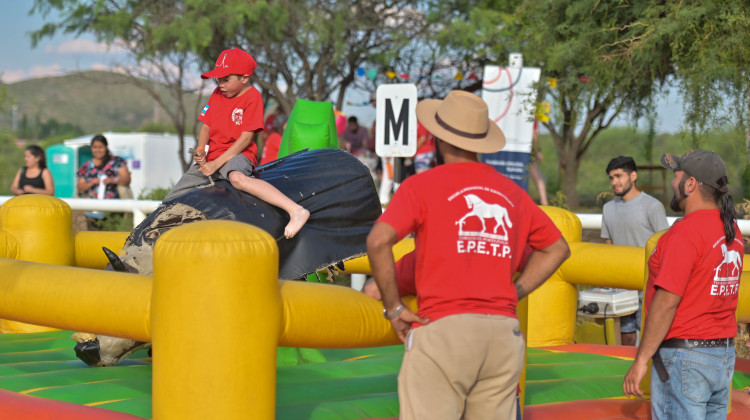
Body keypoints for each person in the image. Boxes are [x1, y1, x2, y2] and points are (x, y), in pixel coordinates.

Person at [367, 90, 570, 420]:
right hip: (503, 335)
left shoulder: (422, 186)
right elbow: (557, 248)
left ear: (437, 138)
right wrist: (514, 292)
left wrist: (394, 308)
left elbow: (377, 241)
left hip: (444, 329)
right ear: (481, 141)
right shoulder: (513, 193)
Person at [623, 149, 742, 420]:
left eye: (675, 175)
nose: (672, 182)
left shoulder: (684, 233)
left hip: (685, 358)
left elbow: (666, 302)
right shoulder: (731, 231)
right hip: (722, 356)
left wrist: (641, 360)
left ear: (690, 185)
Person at [163, 48, 309, 239]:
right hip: (213, 156)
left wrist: (216, 164)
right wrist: (201, 150)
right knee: (172, 198)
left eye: (226, 79)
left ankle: (295, 210)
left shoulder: (253, 97)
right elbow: (206, 127)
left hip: (238, 154)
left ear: (244, 78)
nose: (220, 84)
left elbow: (246, 138)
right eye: (218, 79)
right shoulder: (217, 94)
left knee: (237, 179)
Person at [601, 155, 669, 346]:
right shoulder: (607, 209)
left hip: (648, 284)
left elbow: (664, 245)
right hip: (620, 286)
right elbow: (609, 246)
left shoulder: (653, 206)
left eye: (619, 176)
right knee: (625, 338)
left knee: (652, 340)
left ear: (633, 176)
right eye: (611, 178)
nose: (614, 182)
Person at [76, 134, 131, 199]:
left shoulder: (117, 162)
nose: (98, 150)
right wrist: (92, 183)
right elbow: (80, 187)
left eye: (100, 147)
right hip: (91, 203)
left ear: (106, 147)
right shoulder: (86, 166)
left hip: (115, 204)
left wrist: (113, 180)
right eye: (95, 147)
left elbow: (126, 180)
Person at [528, 123, 548, 205]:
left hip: (528, 152)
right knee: (538, 178)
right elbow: (535, 136)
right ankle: (544, 202)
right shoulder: (533, 118)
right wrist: (537, 151)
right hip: (530, 152)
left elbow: (534, 135)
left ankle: (544, 201)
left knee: (537, 178)